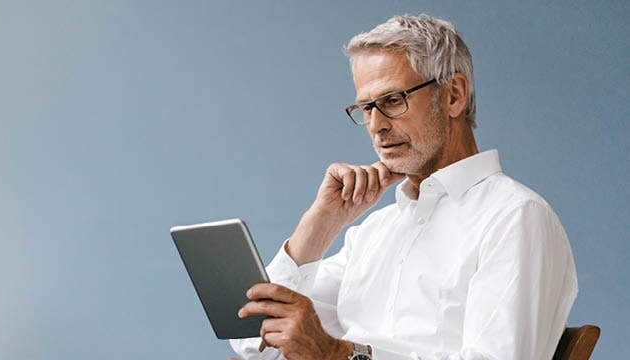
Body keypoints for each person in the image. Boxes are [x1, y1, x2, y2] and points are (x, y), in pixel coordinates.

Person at [231, 14, 577, 360]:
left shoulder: (515, 218)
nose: (376, 126)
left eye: (393, 101)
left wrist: (340, 356)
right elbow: (253, 345)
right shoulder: (373, 233)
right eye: (366, 107)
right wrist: (321, 224)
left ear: (453, 95)